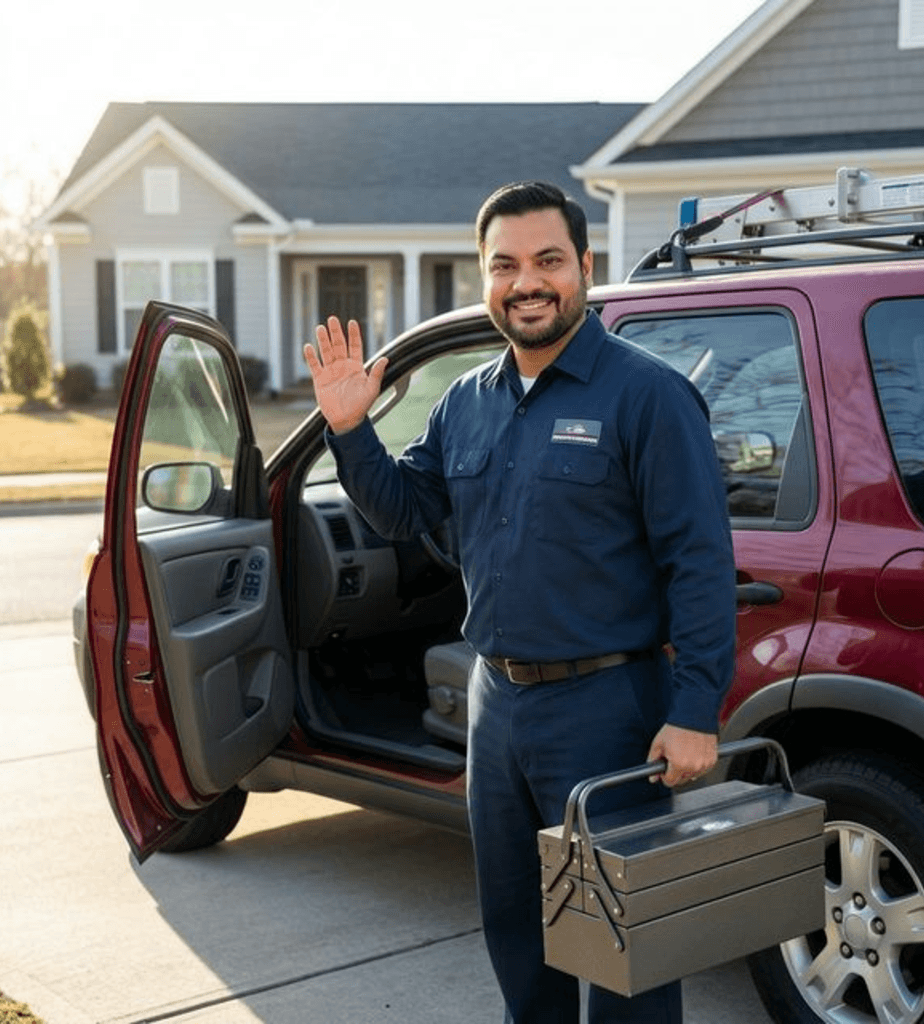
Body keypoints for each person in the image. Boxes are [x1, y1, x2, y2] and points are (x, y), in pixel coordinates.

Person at [304, 181, 737, 1024]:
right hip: (495, 705)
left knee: (622, 952)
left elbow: (700, 561)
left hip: (608, 710)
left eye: (547, 261)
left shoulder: (646, 396)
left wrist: (695, 709)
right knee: (516, 929)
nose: (526, 282)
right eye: (505, 265)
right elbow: (404, 509)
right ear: (484, 277)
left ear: (585, 266)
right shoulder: (465, 400)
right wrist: (352, 431)